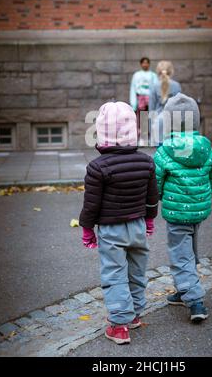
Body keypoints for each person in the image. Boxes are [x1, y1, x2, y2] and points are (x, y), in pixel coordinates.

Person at [79, 101, 159, 345]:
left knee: (115, 274)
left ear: (102, 132)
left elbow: (91, 204)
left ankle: (119, 325)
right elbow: (152, 196)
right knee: (136, 270)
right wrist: (149, 220)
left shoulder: (97, 167)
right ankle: (133, 314)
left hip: (111, 230)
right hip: (137, 226)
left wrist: (86, 229)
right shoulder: (146, 162)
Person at [154, 93, 212, 323]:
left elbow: (157, 182)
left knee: (180, 254)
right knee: (189, 249)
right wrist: (204, 195)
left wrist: (159, 198)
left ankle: (195, 300)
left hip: (176, 212)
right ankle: (183, 290)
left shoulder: (164, 151)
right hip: (198, 210)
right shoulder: (205, 147)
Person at [149, 61, 181, 146]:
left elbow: (151, 109)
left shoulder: (154, 86)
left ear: (158, 72)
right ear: (171, 71)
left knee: (160, 151)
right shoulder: (176, 85)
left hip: (158, 121)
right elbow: (179, 106)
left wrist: (150, 129)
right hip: (174, 121)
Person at [130, 57, 158, 141]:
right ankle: (142, 137)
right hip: (141, 99)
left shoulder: (153, 75)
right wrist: (133, 103)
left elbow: (156, 88)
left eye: (147, 63)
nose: (145, 64)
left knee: (151, 117)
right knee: (141, 118)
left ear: (149, 64)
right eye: (143, 63)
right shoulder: (136, 75)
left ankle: (151, 137)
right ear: (141, 64)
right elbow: (133, 88)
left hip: (151, 99)